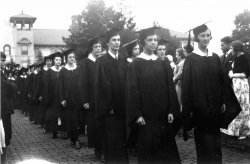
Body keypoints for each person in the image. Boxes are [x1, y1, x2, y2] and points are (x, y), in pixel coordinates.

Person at [182, 24, 241, 163]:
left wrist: (223, 101)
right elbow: (187, 87)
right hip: (200, 110)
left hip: (215, 109)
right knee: (204, 146)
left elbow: (223, 82)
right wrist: (188, 111)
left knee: (215, 146)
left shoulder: (215, 57)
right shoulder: (191, 59)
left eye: (208, 35)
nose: (206, 38)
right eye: (202, 36)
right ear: (196, 38)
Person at [126, 27, 181, 164]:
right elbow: (132, 91)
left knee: (166, 154)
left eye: (155, 40)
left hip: (162, 117)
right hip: (146, 118)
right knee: (148, 154)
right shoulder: (136, 64)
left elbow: (170, 89)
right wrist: (137, 114)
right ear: (142, 43)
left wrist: (171, 110)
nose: (153, 43)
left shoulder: (162, 63)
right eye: (150, 40)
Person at [94, 28, 128, 163]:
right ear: (107, 43)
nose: (117, 43)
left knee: (122, 143)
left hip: (123, 109)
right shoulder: (101, 61)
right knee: (112, 144)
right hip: (110, 111)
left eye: (119, 40)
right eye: (114, 40)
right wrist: (108, 107)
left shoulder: (123, 60)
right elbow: (100, 87)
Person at [78, 36, 104, 161]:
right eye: (96, 47)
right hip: (91, 100)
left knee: (104, 125)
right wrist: (85, 101)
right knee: (95, 126)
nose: (98, 49)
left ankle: (103, 149)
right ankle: (98, 151)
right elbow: (82, 83)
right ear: (91, 49)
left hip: (103, 99)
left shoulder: (102, 61)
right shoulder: (85, 63)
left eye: (100, 47)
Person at [221, 40, 250, 139]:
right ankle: (236, 129)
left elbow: (245, 74)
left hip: (241, 85)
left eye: (232, 48)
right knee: (237, 105)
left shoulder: (243, 58)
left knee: (241, 105)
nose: (231, 50)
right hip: (237, 84)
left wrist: (232, 75)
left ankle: (243, 131)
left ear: (236, 49)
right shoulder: (237, 58)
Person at [58, 49, 81, 149]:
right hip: (68, 99)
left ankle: (75, 137)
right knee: (71, 119)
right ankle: (75, 139)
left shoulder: (78, 69)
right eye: (70, 57)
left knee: (77, 119)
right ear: (66, 59)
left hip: (78, 97)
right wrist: (62, 99)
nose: (72, 59)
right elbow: (60, 86)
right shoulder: (63, 70)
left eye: (73, 57)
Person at [1, 51, 17, 164]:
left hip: (5, 107)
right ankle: (3, 160)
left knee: (7, 133)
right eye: (2, 60)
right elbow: (4, 85)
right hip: (2, 107)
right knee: (4, 133)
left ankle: (4, 159)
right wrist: (12, 85)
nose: (3, 62)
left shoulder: (2, 72)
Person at [46, 52, 63, 139]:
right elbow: (47, 85)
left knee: (62, 113)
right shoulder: (49, 71)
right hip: (53, 96)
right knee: (54, 115)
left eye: (60, 60)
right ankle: (54, 131)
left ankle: (63, 131)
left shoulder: (63, 70)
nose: (58, 61)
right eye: (57, 60)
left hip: (62, 95)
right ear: (53, 61)